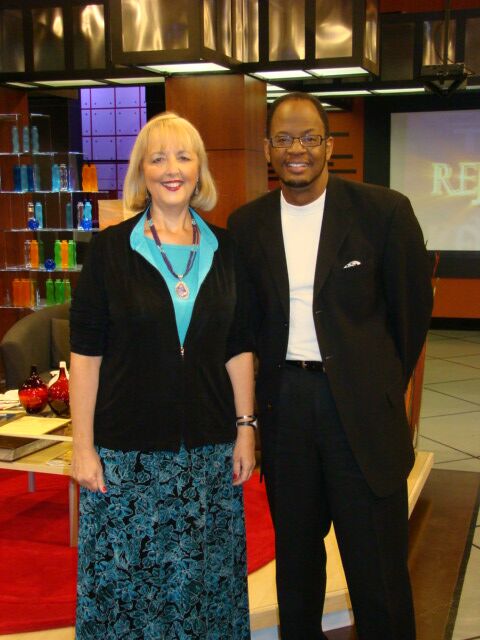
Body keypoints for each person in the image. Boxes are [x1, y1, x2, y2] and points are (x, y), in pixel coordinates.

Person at [228, 93, 433, 640]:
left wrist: (377, 385)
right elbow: (244, 326)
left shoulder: (383, 212)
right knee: (296, 567)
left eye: (308, 138)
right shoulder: (246, 225)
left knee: (378, 569)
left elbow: (411, 314)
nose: (296, 149)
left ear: (329, 145)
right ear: (268, 149)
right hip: (286, 410)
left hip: (361, 414)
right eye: (284, 139)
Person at [70, 112, 256, 639]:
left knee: (204, 588)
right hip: (127, 458)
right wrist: (82, 447)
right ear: (142, 173)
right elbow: (85, 354)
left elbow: (238, 346)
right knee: (128, 595)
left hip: (208, 455)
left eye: (183, 156)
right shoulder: (110, 251)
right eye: (157, 158)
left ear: (199, 170)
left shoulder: (228, 249)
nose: (171, 169)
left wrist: (246, 428)